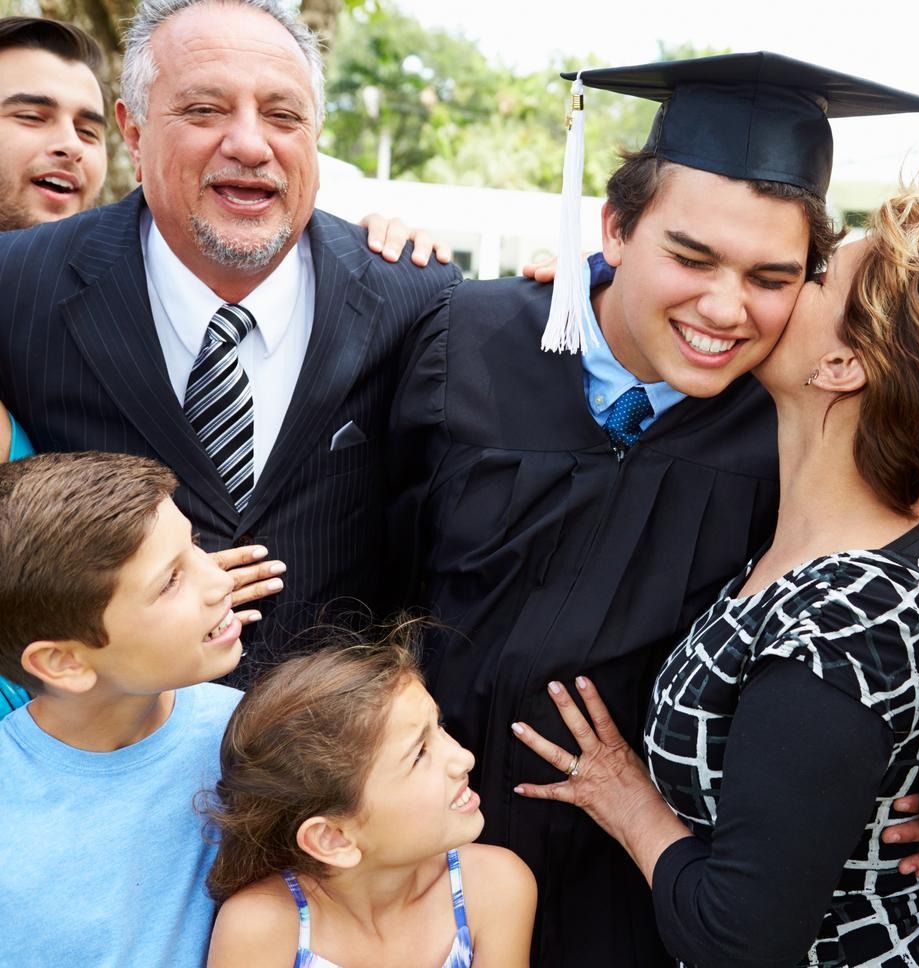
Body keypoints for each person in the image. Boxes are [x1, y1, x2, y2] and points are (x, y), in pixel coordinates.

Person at [392, 52, 919, 967]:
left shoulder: (790, 425)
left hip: (637, 895)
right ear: (613, 228)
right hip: (426, 855)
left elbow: (906, 595)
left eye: (772, 277)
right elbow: (379, 568)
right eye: (690, 257)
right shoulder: (468, 339)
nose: (724, 308)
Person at [508, 186, 919, 966]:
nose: (787, 287)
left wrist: (629, 803)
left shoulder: (852, 623)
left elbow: (740, 939)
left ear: (842, 364)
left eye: (818, 277)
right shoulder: (825, 552)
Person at [0, 0, 460, 685]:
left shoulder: (419, 299)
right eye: (205, 110)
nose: (250, 145)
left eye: (283, 115)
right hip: (105, 755)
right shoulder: (17, 286)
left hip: (325, 766)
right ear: (132, 130)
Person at [0, 451, 245, 966]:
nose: (221, 581)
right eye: (171, 581)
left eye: (195, 545)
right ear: (63, 661)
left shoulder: (251, 736)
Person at [205, 623, 535, 968]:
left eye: (440, 727)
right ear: (332, 837)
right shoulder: (261, 927)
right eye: (419, 755)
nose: (464, 758)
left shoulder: (494, 888)